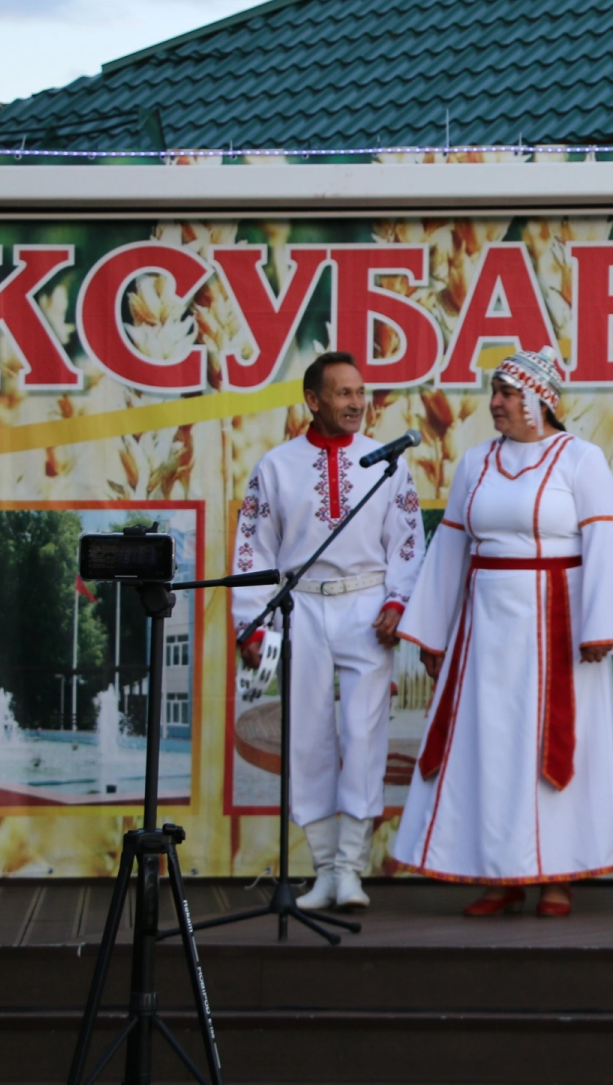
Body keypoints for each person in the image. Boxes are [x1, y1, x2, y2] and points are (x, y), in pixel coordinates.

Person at [392, 347, 613, 917]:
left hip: (559, 623)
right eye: (495, 394)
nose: (495, 405)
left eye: (508, 395)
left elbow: (605, 543)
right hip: (485, 628)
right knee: (491, 748)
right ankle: (498, 873)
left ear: (541, 401)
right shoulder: (475, 462)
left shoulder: (581, 460)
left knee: (552, 747)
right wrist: (434, 635)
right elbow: (452, 547)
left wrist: (601, 624)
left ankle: (556, 876)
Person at [231, 351, 426, 912]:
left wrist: (398, 600)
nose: (357, 403)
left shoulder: (387, 462)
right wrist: (253, 622)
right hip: (301, 608)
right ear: (313, 401)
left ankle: (350, 872)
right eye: (343, 393)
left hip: (366, 608)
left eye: (361, 392)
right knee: (308, 738)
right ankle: (322, 870)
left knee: (364, 737)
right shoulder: (276, 466)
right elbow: (252, 550)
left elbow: (408, 539)